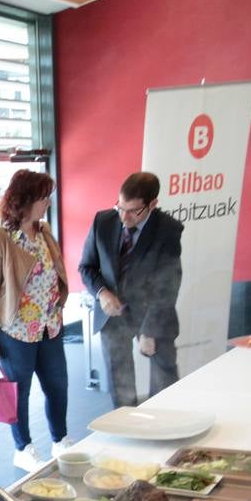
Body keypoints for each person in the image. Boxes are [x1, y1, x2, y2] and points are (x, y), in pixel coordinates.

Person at [0, 169, 73, 472]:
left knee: (57, 384)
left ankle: (60, 439)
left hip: (50, 325)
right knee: (19, 393)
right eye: (43, 198)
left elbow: (56, 271)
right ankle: (23, 448)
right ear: (25, 200)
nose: (47, 203)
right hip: (16, 331)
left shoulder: (44, 232)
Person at [78, 171, 184, 407]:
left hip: (152, 314)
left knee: (165, 380)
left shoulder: (168, 230)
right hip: (113, 315)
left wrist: (150, 330)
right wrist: (102, 293)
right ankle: (128, 429)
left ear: (152, 204)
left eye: (133, 211)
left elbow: (168, 285)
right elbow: (87, 267)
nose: (124, 217)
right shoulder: (103, 222)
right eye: (120, 207)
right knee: (120, 383)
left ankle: (164, 427)